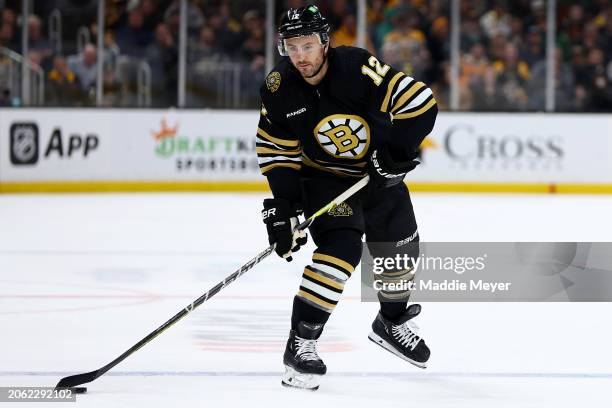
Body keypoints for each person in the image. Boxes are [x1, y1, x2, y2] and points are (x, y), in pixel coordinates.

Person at [256, 5, 438, 390]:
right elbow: (276, 151)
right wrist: (285, 207)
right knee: (341, 251)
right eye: (292, 47)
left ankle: (391, 321)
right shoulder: (278, 88)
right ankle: (301, 342)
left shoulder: (357, 68)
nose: (300, 56)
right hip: (323, 180)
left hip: (376, 175)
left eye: (307, 45)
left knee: (400, 248)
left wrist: (396, 153)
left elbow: (421, 103)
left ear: (324, 42)